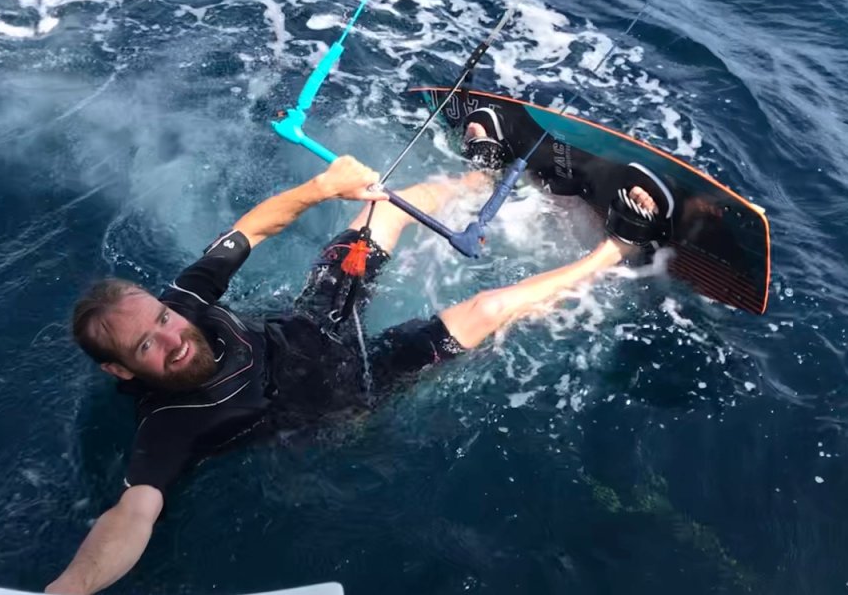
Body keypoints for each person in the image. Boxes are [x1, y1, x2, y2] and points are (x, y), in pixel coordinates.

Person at [46, 146, 669, 594]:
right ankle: (618, 250)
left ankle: (481, 173)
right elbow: (132, 516)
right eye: (147, 347)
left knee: (382, 211)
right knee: (488, 308)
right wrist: (71, 589)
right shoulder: (169, 426)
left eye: (161, 320)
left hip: (316, 321)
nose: (172, 338)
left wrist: (322, 187)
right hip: (350, 391)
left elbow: (248, 230)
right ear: (122, 372)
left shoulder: (184, 303)